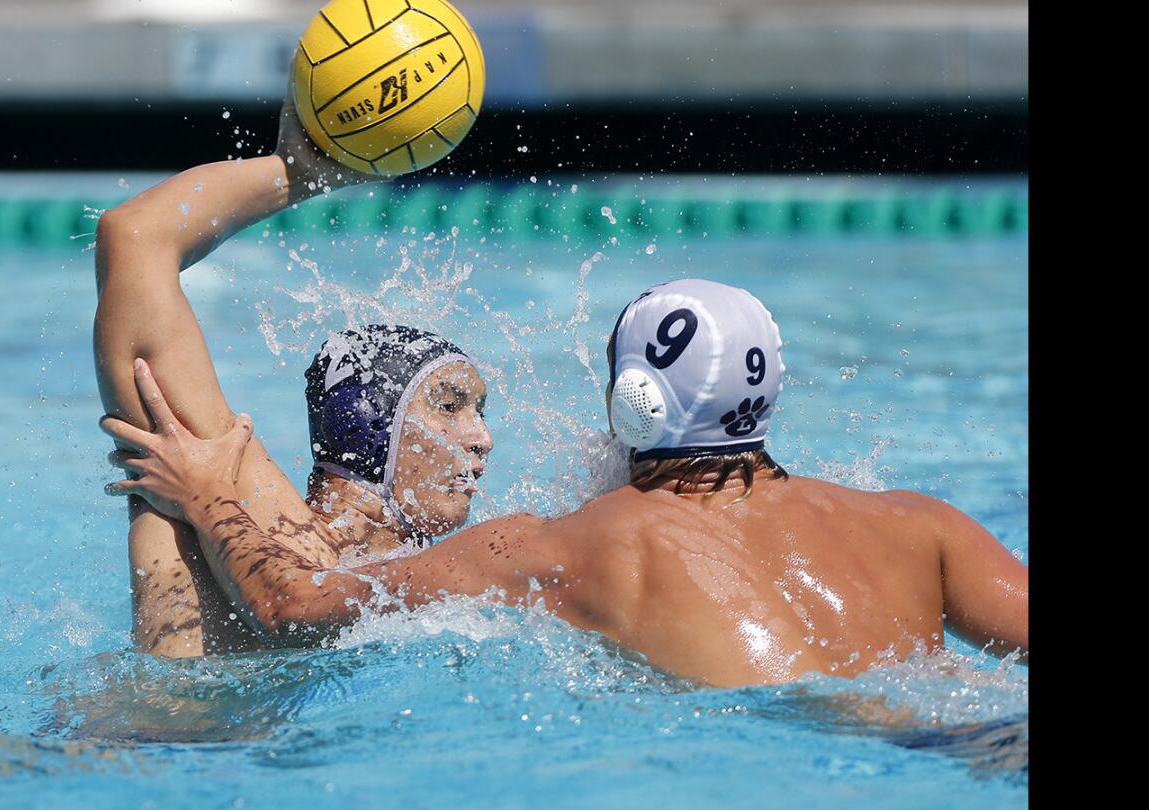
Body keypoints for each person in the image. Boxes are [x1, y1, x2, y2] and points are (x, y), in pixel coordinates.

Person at [101, 279, 1029, 688]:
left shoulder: (562, 548)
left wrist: (207, 488)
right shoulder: (922, 524)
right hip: (956, 743)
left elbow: (291, 604)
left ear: (630, 401)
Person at [92, 95, 492, 657]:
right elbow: (136, 236)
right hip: (156, 742)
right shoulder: (229, 488)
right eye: (450, 407)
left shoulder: (393, 583)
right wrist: (298, 174)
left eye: (480, 411)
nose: (483, 438)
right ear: (373, 428)